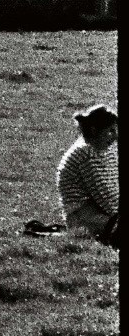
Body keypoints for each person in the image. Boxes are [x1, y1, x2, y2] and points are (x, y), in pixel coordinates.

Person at [55, 104, 119, 247]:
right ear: (94, 130)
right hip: (83, 218)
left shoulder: (104, 149)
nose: (115, 136)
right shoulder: (86, 153)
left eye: (115, 130)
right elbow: (105, 196)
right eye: (110, 131)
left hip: (100, 213)